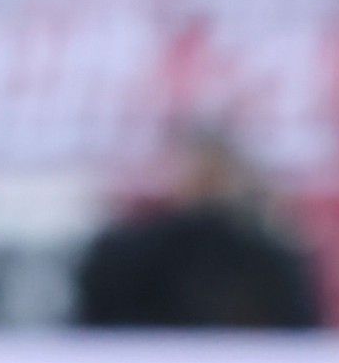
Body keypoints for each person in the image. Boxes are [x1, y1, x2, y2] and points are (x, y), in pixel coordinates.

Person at [76, 125, 322, 329]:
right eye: (199, 174)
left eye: (214, 175)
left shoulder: (267, 260)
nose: (205, 185)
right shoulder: (124, 255)